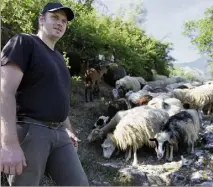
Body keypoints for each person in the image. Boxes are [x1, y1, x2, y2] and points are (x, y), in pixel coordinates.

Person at [1, 2, 89, 186]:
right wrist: (8, 144)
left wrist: (68, 130)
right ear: (41, 19)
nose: (60, 23)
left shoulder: (59, 58)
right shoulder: (24, 42)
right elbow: (5, 92)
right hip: (31, 130)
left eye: (64, 21)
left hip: (60, 133)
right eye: (55, 17)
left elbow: (59, 98)